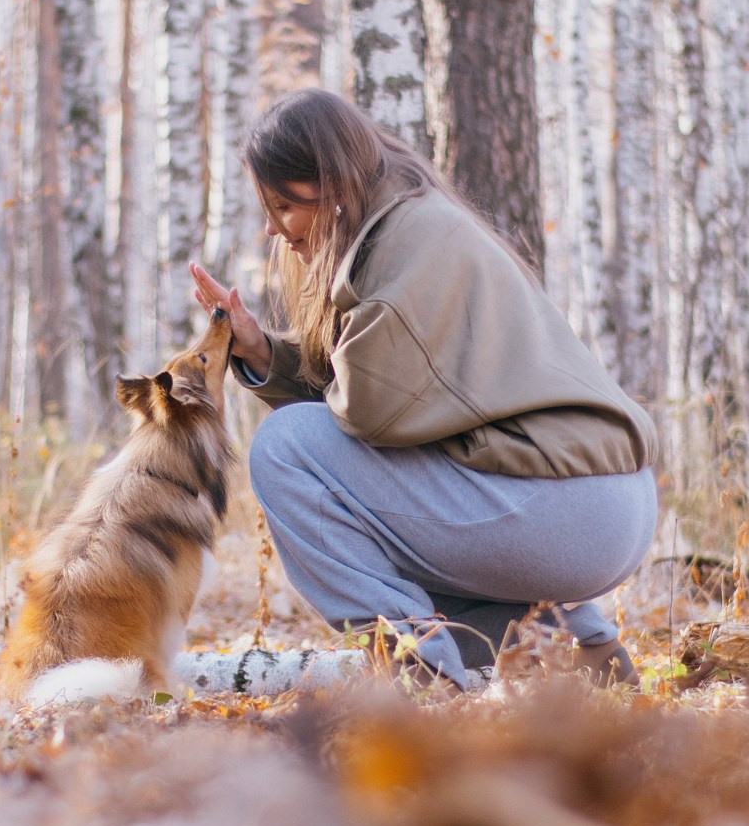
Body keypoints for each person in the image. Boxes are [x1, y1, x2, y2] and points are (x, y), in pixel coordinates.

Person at [188, 89, 658, 689]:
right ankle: (572, 645)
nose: (276, 230)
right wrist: (261, 352)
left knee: (284, 448)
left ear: (330, 182)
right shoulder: (418, 221)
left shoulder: (404, 246)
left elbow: (368, 415)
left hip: (565, 514)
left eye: (284, 204)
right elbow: (395, 410)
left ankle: (423, 673)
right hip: (602, 507)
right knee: (382, 509)